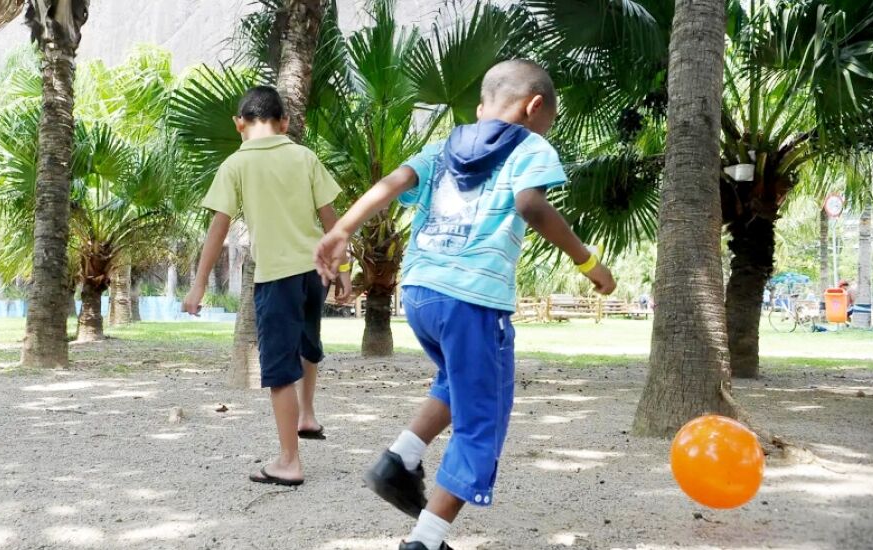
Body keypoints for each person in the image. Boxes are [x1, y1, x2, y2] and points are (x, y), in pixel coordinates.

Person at [314, 60, 616, 550]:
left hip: (420, 292)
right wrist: (588, 262)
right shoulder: (530, 145)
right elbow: (531, 206)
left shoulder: (444, 145)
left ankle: (400, 459)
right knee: (484, 417)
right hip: (472, 299)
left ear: (481, 108)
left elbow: (393, 182)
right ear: (535, 107)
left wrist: (342, 229)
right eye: (549, 121)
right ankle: (426, 540)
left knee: (457, 381)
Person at [182, 86, 351, 486]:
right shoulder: (305, 156)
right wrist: (343, 267)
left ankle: (289, 461)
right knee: (308, 345)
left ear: (239, 124)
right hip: (316, 274)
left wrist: (200, 284)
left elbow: (217, 228)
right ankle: (307, 416)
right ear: (285, 123)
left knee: (278, 370)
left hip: (276, 277)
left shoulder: (235, 165)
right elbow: (332, 220)